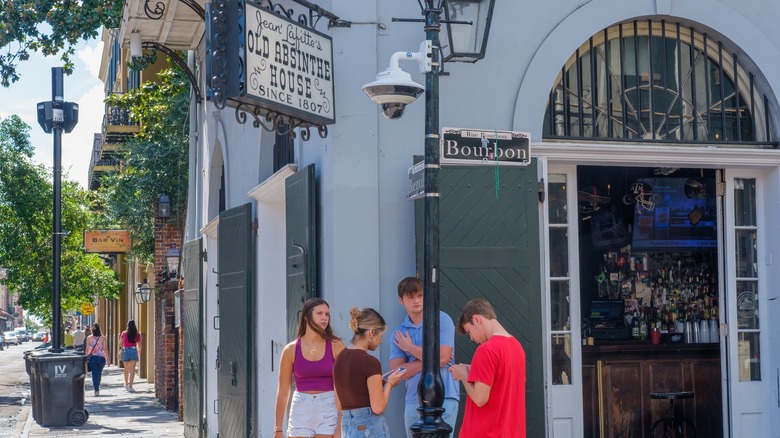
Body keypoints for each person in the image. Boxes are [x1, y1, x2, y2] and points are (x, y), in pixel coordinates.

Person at [390, 277, 459, 437]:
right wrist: (432, 360)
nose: (416, 300)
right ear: (401, 300)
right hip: (414, 399)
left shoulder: (442, 320)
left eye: (420, 296)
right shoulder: (398, 333)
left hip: (445, 395)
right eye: (411, 297)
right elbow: (397, 373)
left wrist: (410, 348)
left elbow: (443, 358)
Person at [449, 298, 526, 438]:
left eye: (469, 331)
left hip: (485, 433)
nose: (472, 338)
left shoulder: (486, 350)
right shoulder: (517, 347)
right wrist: (474, 369)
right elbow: (502, 379)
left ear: (477, 319)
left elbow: (480, 398)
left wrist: (463, 376)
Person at [274, 298, 345, 438]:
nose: (324, 317)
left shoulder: (336, 345)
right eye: (319, 313)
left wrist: (340, 423)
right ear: (306, 317)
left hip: (329, 406)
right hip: (301, 407)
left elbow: (343, 387)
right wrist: (278, 429)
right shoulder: (290, 350)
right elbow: (283, 391)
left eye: (327, 314)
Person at [333, 307, 405, 438]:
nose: (381, 341)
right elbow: (378, 407)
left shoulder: (340, 358)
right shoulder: (370, 362)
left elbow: (339, 403)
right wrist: (389, 383)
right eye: (380, 336)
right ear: (371, 332)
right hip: (369, 426)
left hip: (347, 427)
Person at [85, 323, 111, 396]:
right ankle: (97, 387)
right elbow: (105, 349)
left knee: (94, 374)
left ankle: (96, 389)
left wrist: (85, 357)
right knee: (99, 373)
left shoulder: (89, 338)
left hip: (92, 358)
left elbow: (87, 349)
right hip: (101, 358)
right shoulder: (103, 338)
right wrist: (108, 359)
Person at [119, 320, 142, 392]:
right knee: (132, 369)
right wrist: (139, 350)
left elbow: (120, 343)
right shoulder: (137, 334)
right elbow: (140, 344)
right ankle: (131, 386)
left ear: (127, 325)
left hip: (125, 350)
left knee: (126, 369)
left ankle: (126, 383)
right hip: (133, 350)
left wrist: (122, 347)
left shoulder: (124, 333)